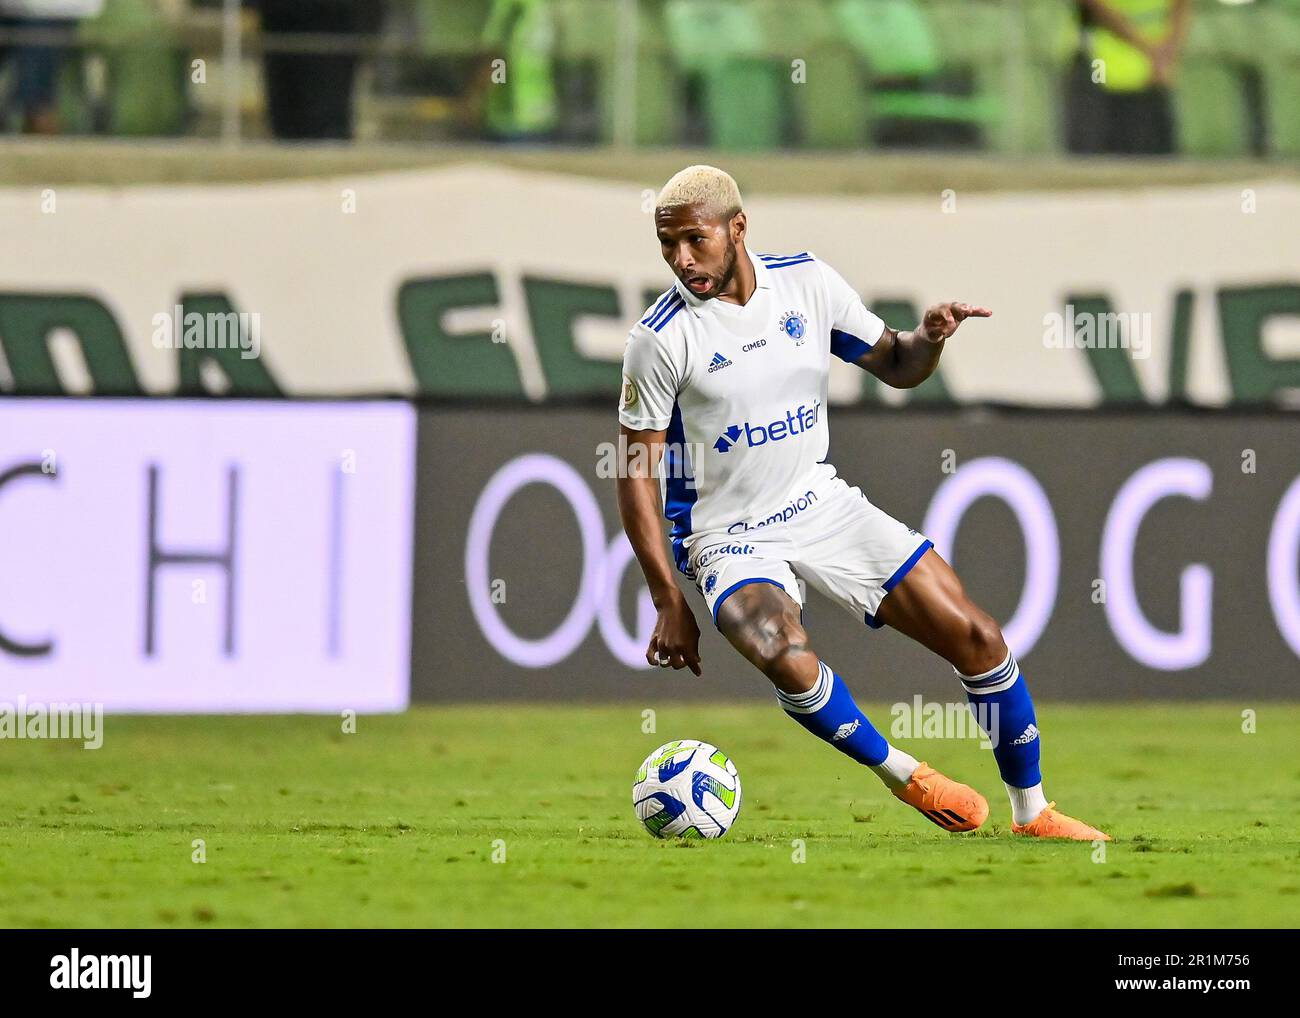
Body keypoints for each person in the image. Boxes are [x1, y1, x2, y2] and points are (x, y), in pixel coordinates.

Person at [616, 165, 1110, 841]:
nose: (681, 259)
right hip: (727, 535)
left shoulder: (806, 282)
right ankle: (904, 773)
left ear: (738, 228)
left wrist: (929, 340)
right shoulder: (659, 338)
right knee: (779, 646)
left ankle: (1034, 813)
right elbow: (635, 471)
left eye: (694, 240)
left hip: (819, 504)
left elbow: (897, 364)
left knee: (978, 636)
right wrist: (668, 597)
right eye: (667, 245)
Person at [1066, 0, 1191, 155]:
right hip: (1101, 70)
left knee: (1153, 158)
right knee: (1095, 154)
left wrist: (1165, 53)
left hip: (1147, 76)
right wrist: (1159, 53)